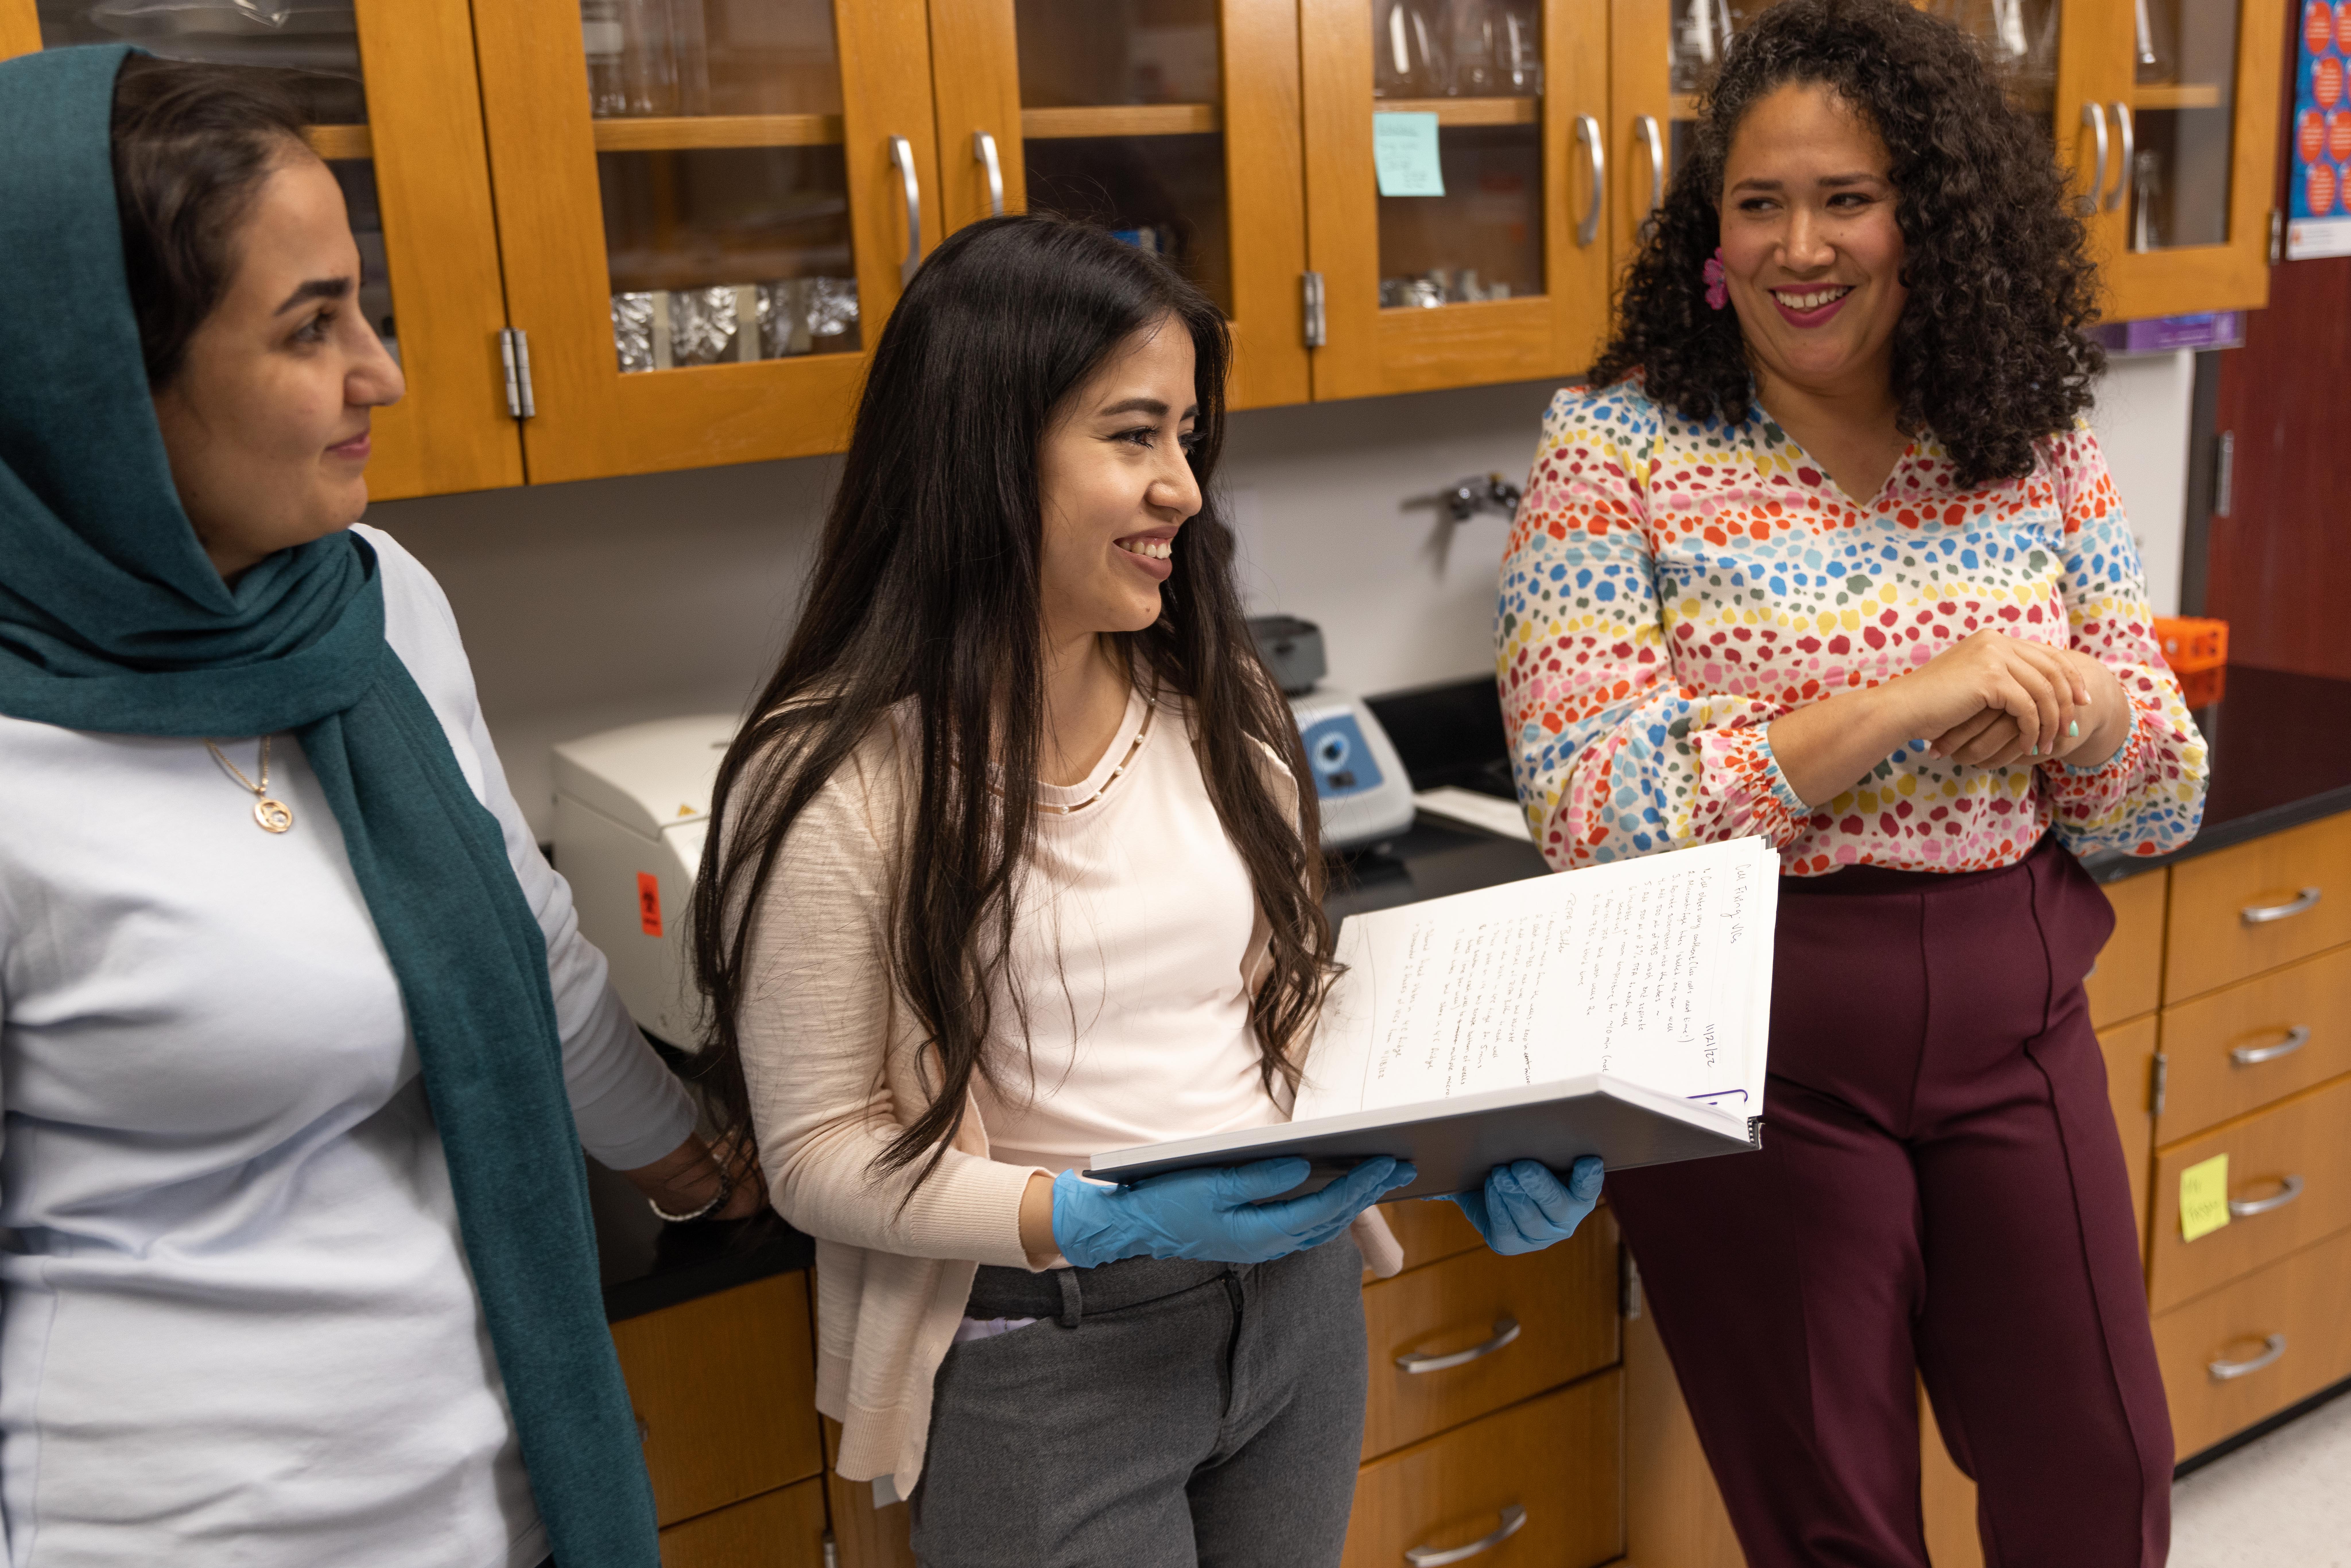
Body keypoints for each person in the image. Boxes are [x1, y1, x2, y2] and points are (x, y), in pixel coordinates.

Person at [692, 212, 1606, 1567]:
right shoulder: (835, 777)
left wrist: (1458, 1161)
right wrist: (1079, 1216)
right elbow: (819, 1152)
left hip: (1295, 1309)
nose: (1182, 486)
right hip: (1048, 1356)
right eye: (1133, 435)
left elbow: (1280, 1014)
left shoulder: (1214, 698)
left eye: (1185, 437)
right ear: (987, 454)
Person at [0, 47, 755, 1568]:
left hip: (501, 1497)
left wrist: (680, 1150)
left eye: (361, 299)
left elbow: (521, 931)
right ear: (95, 383)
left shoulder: (368, 606)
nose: (384, 372)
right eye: (309, 326)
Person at [1496, 4, 2207, 1566]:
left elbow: (2159, 802)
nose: (1798, 247)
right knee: (1836, 1521)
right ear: (1712, 229)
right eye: (1759, 204)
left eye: (1845, 198)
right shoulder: (1618, 449)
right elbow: (1589, 805)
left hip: (2019, 1014)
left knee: (2103, 1467)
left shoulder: (2034, 436)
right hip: (1748, 1044)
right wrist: (1891, 708)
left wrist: (2087, 717)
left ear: (1927, 219)